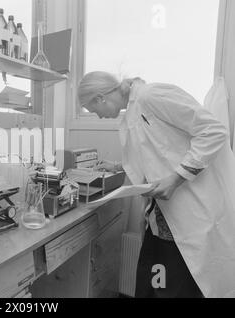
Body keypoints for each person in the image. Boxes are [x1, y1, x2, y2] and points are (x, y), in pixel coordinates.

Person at [78, 71, 235, 298]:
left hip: (187, 215)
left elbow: (212, 131)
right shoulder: (132, 113)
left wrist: (176, 178)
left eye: (94, 111)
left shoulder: (152, 96)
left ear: (100, 98)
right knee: (152, 280)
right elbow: (159, 154)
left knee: (173, 286)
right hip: (161, 219)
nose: (98, 117)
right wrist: (119, 167)